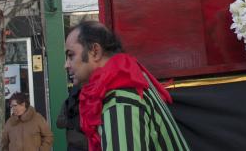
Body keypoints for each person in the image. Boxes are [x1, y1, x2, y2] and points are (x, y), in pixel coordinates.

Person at [64, 21, 190, 151]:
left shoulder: (119, 99)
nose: (66, 65)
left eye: (70, 55)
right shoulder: (125, 80)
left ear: (95, 52)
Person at [56, 84, 87, 151]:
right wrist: (71, 122)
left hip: (91, 144)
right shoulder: (68, 103)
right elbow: (59, 123)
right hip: (75, 145)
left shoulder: (90, 100)